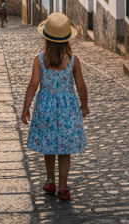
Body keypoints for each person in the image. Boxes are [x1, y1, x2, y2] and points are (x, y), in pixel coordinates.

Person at [21, 12, 88, 201]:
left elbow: (33, 84)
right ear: (67, 39)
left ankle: (50, 179)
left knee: (49, 147)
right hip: (67, 109)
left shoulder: (40, 60)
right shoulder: (73, 61)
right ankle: (63, 186)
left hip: (46, 108)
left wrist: (26, 108)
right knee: (64, 150)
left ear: (46, 39)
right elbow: (81, 85)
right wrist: (84, 106)